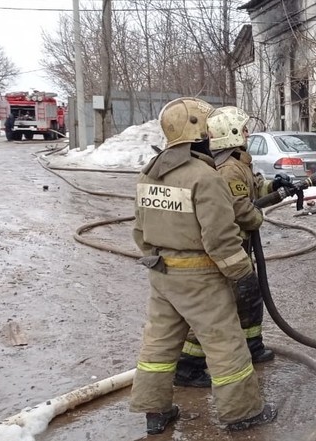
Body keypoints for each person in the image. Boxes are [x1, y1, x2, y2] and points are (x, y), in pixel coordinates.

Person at [130, 97, 277, 435]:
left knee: (159, 344)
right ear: (197, 130)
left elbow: (139, 231)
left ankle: (155, 412)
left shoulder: (150, 172)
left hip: (161, 274)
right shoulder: (204, 176)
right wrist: (242, 275)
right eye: (209, 126)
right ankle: (242, 413)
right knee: (225, 344)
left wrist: (162, 256)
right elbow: (220, 237)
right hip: (200, 276)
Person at [173, 106, 275, 388]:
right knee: (219, 304)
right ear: (230, 134)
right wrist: (258, 218)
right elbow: (241, 208)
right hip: (230, 246)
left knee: (249, 298)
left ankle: (252, 346)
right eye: (242, 129)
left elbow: (253, 186)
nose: (247, 133)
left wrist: (274, 186)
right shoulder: (229, 167)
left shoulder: (237, 161)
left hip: (238, 244)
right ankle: (188, 365)